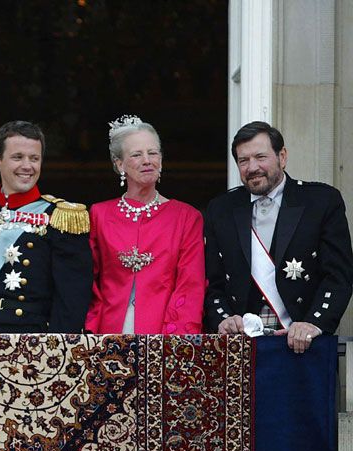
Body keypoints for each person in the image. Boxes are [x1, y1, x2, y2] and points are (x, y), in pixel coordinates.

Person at [204, 121, 353, 353]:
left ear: (282, 156)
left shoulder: (321, 202)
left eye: (260, 157)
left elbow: (338, 276)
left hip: (303, 346)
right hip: (240, 349)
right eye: (243, 160)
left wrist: (314, 323)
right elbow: (213, 283)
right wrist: (223, 319)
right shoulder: (220, 210)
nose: (252, 167)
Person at [0, 120, 92, 333]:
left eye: (34, 158)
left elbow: (72, 299)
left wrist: (57, 350)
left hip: (33, 338)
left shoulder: (60, 218)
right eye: (17, 157)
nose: (27, 166)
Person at [85, 115, 204, 334]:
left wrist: (175, 342)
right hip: (107, 334)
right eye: (137, 155)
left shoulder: (186, 217)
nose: (147, 160)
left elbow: (190, 286)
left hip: (165, 335)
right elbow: (88, 282)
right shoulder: (99, 214)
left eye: (153, 153)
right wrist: (92, 332)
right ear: (119, 164)